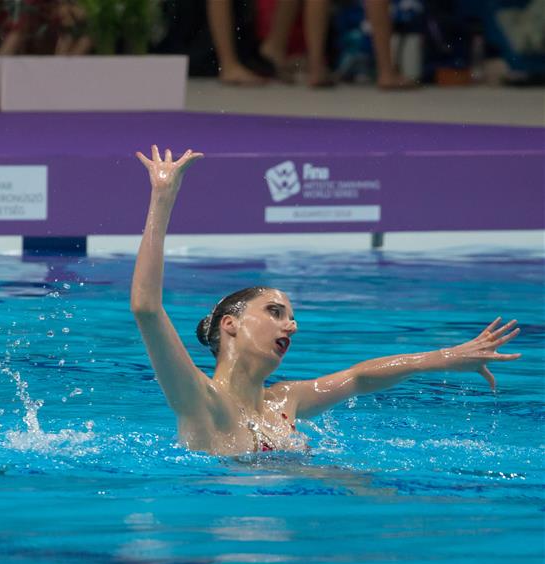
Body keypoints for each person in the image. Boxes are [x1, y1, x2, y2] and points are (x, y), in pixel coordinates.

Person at [130, 146, 521, 456]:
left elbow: (358, 378)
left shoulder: (284, 399)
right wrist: (162, 198)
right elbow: (147, 309)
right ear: (230, 325)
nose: (292, 325)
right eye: (275, 312)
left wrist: (448, 357)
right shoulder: (200, 399)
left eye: (292, 317)